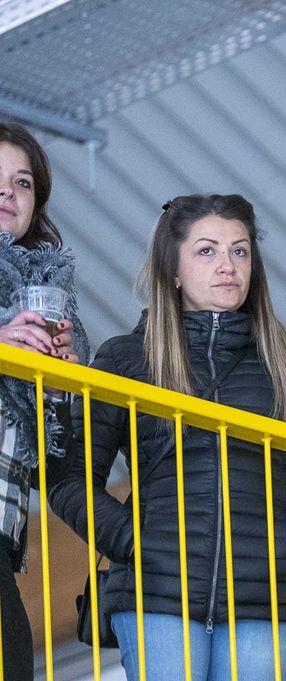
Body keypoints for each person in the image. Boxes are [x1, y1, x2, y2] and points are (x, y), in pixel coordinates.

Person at [50, 194, 286, 681]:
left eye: (240, 250)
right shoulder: (128, 358)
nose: (227, 265)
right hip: (155, 592)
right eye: (207, 250)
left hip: (265, 595)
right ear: (173, 269)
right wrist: (134, 542)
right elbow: (70, 477)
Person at [0, 121, 89, 680]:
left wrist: (59, 391)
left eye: (23, 182)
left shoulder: (51, 301)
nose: (7, 191)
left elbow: (61, 463)